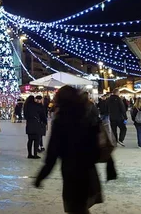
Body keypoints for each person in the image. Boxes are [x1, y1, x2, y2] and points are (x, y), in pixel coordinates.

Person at [35, 85, 103, 214]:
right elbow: (96, 142)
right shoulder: (87, 115)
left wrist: (41, 175)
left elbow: (52, 153)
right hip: (88, 170)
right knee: (81, 208)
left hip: (71, 172)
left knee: (75, 208)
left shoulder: (61, 120)